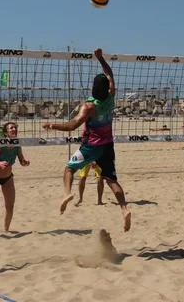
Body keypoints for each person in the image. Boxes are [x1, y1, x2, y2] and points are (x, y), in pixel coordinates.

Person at [43, 48, 131, 232]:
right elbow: (110, 73)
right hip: (108, 145)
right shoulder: (111, 97)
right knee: (111, 180)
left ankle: (67, 194)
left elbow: (72, 126)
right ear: (106, 88)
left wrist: (52, 126)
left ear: (93, 88)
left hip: (92, 146)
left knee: (69, 169)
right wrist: (100, 58)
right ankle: (124, 209)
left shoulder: (89, 107)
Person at [0, 122, 30, 239]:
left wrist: (25, 162)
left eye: (14, 128)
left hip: (8, 178)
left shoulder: (17, 145)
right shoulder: (0, 145)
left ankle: (6, 229)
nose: (13, 129)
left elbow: (21, 160)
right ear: (5, 133)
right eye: (10, 128)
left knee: (10, 206)